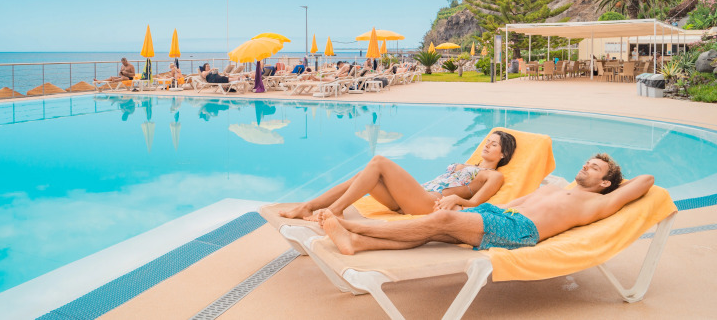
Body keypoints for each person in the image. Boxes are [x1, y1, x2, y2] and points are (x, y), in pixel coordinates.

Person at [320, 154, 653, 256]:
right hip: (501, 216)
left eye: (594, 168)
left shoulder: (598, 202)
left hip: (522, 231)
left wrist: (615, 182)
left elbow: (646, 180)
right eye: (587, 163)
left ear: (606, 183)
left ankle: (352, 227)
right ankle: (358, 244)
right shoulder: (556, 188)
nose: (585, 167)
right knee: (435, 229)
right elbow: (514, 202)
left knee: (441, 224)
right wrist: (467, 209)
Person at [279, 131, 517, 220]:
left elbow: (477, 204)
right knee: (365, 174)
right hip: (413, 198)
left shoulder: (492, 175)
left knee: (379, 162)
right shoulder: (469, 164)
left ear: (503, 153)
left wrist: (456, 199)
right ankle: (307, 207)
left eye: (494, 144)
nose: (487, 145)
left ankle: (335, 210)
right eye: (487, 141)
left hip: (429, 203)